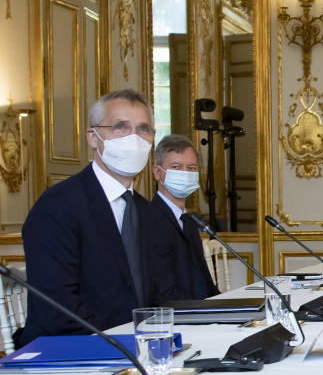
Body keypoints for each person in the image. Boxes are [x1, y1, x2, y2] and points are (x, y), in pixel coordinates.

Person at [18, 89, 161, 346]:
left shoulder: (145, 209)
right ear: (93, 138)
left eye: (143, 129)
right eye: (120, 127)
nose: (134, 138)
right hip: (72, 351)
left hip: (139, 347)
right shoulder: (57, 206)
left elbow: (154, 294)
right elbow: (57, 310)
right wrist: (125, 345)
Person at [150, 134, 219, 302]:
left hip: (200, 314)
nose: (185, 173)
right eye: (176, 167)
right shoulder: (150, 219)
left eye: (191, 168)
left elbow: (205, 281)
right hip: (177, 317)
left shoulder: (188, 220)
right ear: (158, 172)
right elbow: (164, 290)